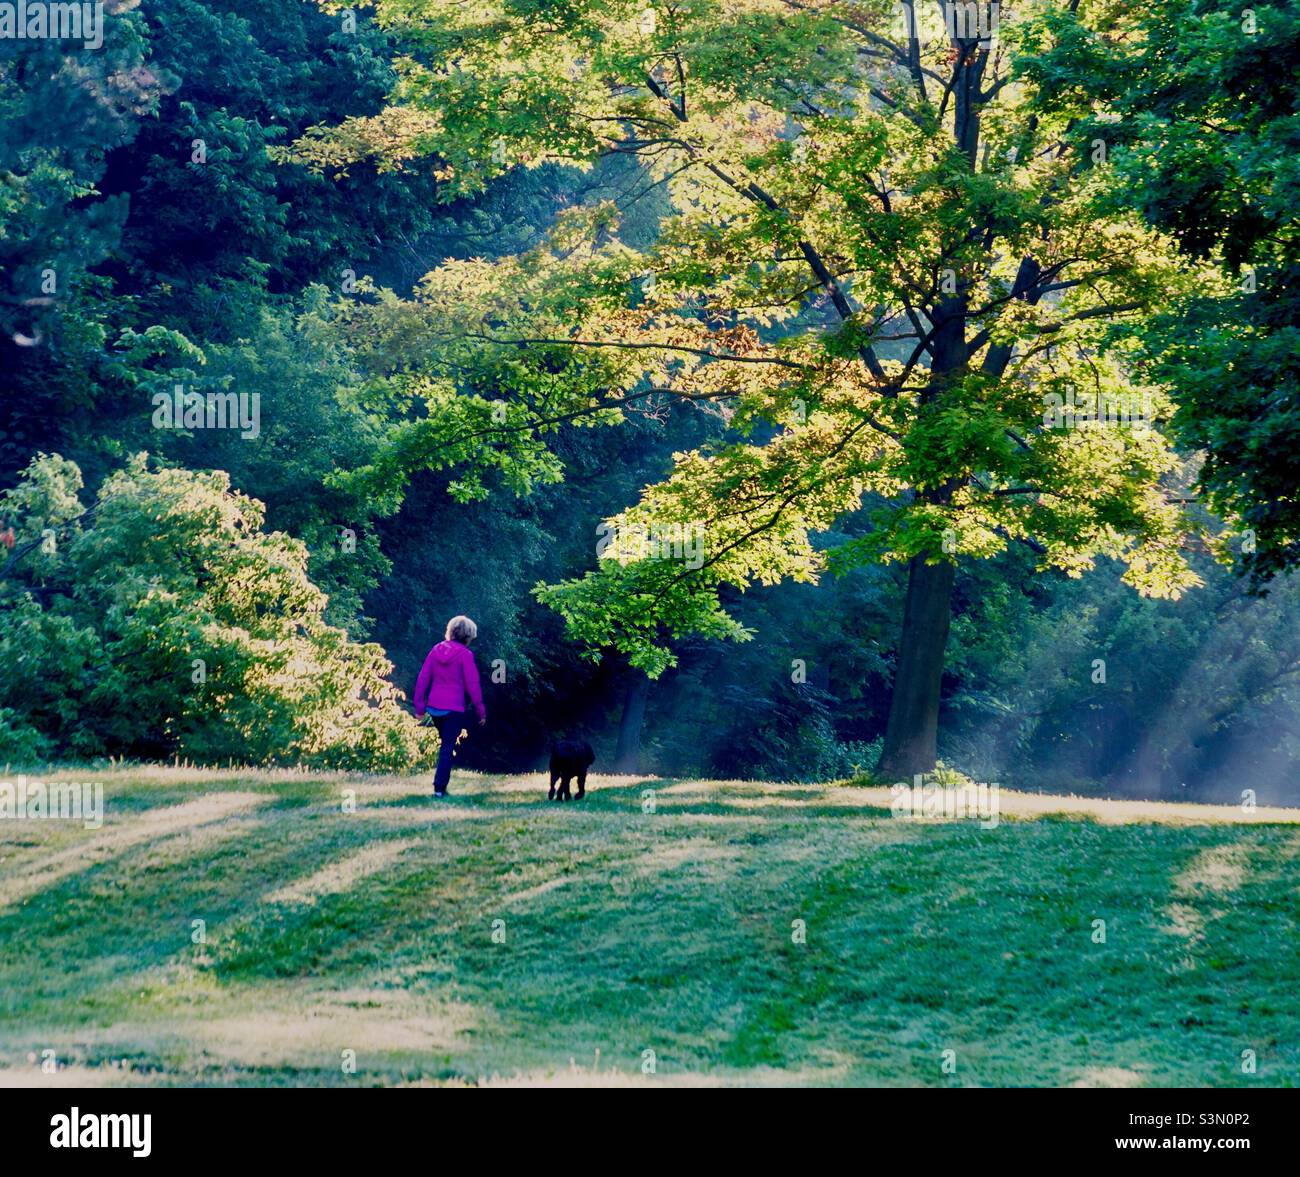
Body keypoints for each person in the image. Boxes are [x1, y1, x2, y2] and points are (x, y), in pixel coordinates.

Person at [413, 615, 486, 797]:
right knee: (447, 747)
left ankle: (440, 786)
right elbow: (473, 684)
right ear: (468, 636)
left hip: (435, 708)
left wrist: (420, 707)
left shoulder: (436, 649)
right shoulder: (465, 655)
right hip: (454, 708)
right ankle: (439, 789)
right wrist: (480, 710)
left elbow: (423, 678)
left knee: (445, 745)